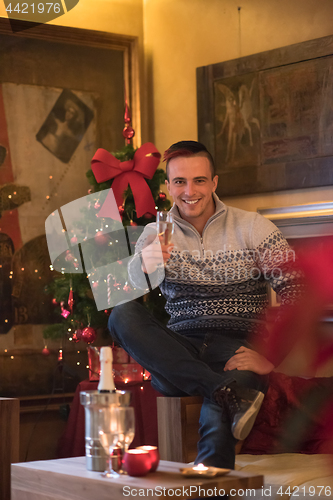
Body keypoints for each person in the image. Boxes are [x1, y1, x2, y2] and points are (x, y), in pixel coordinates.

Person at [108, 140, 301, 469]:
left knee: (217, 421)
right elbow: (125, 294)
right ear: (168, 187)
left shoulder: (253, 227)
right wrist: (143, 264)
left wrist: (270, 354)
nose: (189, 191)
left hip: (237, 348)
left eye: (199, 180)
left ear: (214, 182)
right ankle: (222, 389)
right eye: (180, 182)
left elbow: (298, 292)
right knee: (121, 314)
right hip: (180, 350)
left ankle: (210, 480)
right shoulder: (155, 233)